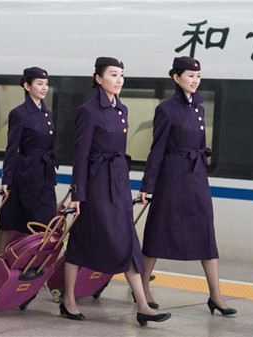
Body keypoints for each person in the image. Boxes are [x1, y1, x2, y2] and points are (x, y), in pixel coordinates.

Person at [64, 57, 171, 327]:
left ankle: (143, 305)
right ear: (98, 79)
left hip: (118, 185)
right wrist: (78, 194)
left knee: (128, 242)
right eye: (113, 75)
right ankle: (68, 299)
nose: (119, 80)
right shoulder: (88, 111)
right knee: (82, 242)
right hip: (96, 186)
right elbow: (80, 155)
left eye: (121, 75)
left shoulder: (121, 108)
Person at [137, 56, 237, 316]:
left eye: (198, 76)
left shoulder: (199, 108)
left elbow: (201, 146)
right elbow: (156, 150)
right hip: (171, 178)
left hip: (196, 178)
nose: (195, 80)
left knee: (206, 233)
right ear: (176, 77)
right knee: (159, 230)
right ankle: (144, 287)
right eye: (190, 76)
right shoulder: (166, 109)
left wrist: (203, 177)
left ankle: (216, 295)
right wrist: (147, 185)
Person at [0, 67, 58, 256]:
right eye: (39, 84)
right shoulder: (19, 113)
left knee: (46, 223)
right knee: (9, 221)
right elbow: (11, 149)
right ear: (27, 86)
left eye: (46, 84)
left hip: (44, 175)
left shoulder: (47, 114)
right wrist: (6, 179)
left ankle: (35, 266)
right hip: (24, 175)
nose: (44, 87)